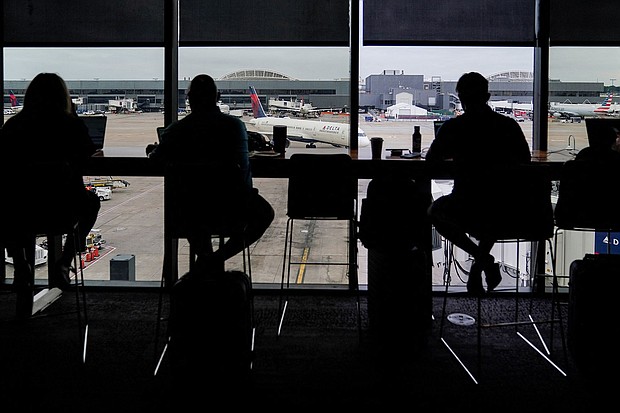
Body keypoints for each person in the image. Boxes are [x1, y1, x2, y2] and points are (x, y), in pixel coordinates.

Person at [147, 74, 274, 272]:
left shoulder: (176, 130)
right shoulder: (236, 127)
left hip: (191, 211)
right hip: (232, 209)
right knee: (265, 214)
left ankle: (206, 263)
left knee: (195, 209)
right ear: (218, 96)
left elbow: (155, 159)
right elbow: (242, 167)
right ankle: (215, 260)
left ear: (189, 99)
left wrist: (154, 150)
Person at [425, 72, 532, 295]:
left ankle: (484, 260)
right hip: (507, 209)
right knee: (493, 206)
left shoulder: (453, 128)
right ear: (488, 96)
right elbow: (525, 161)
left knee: (435, 211)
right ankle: (479, 266)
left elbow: (431, 162)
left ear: (460, 98)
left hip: (466, 204)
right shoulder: (509, 126)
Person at [0, 72, 102, 290]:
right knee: (92, 202)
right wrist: (73, 116)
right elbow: (89, 156)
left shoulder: (13, 126)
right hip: (62, 212)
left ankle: (20, 264)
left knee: (4, 203)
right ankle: (65, 262)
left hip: (21, 211)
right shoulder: (70, 126)